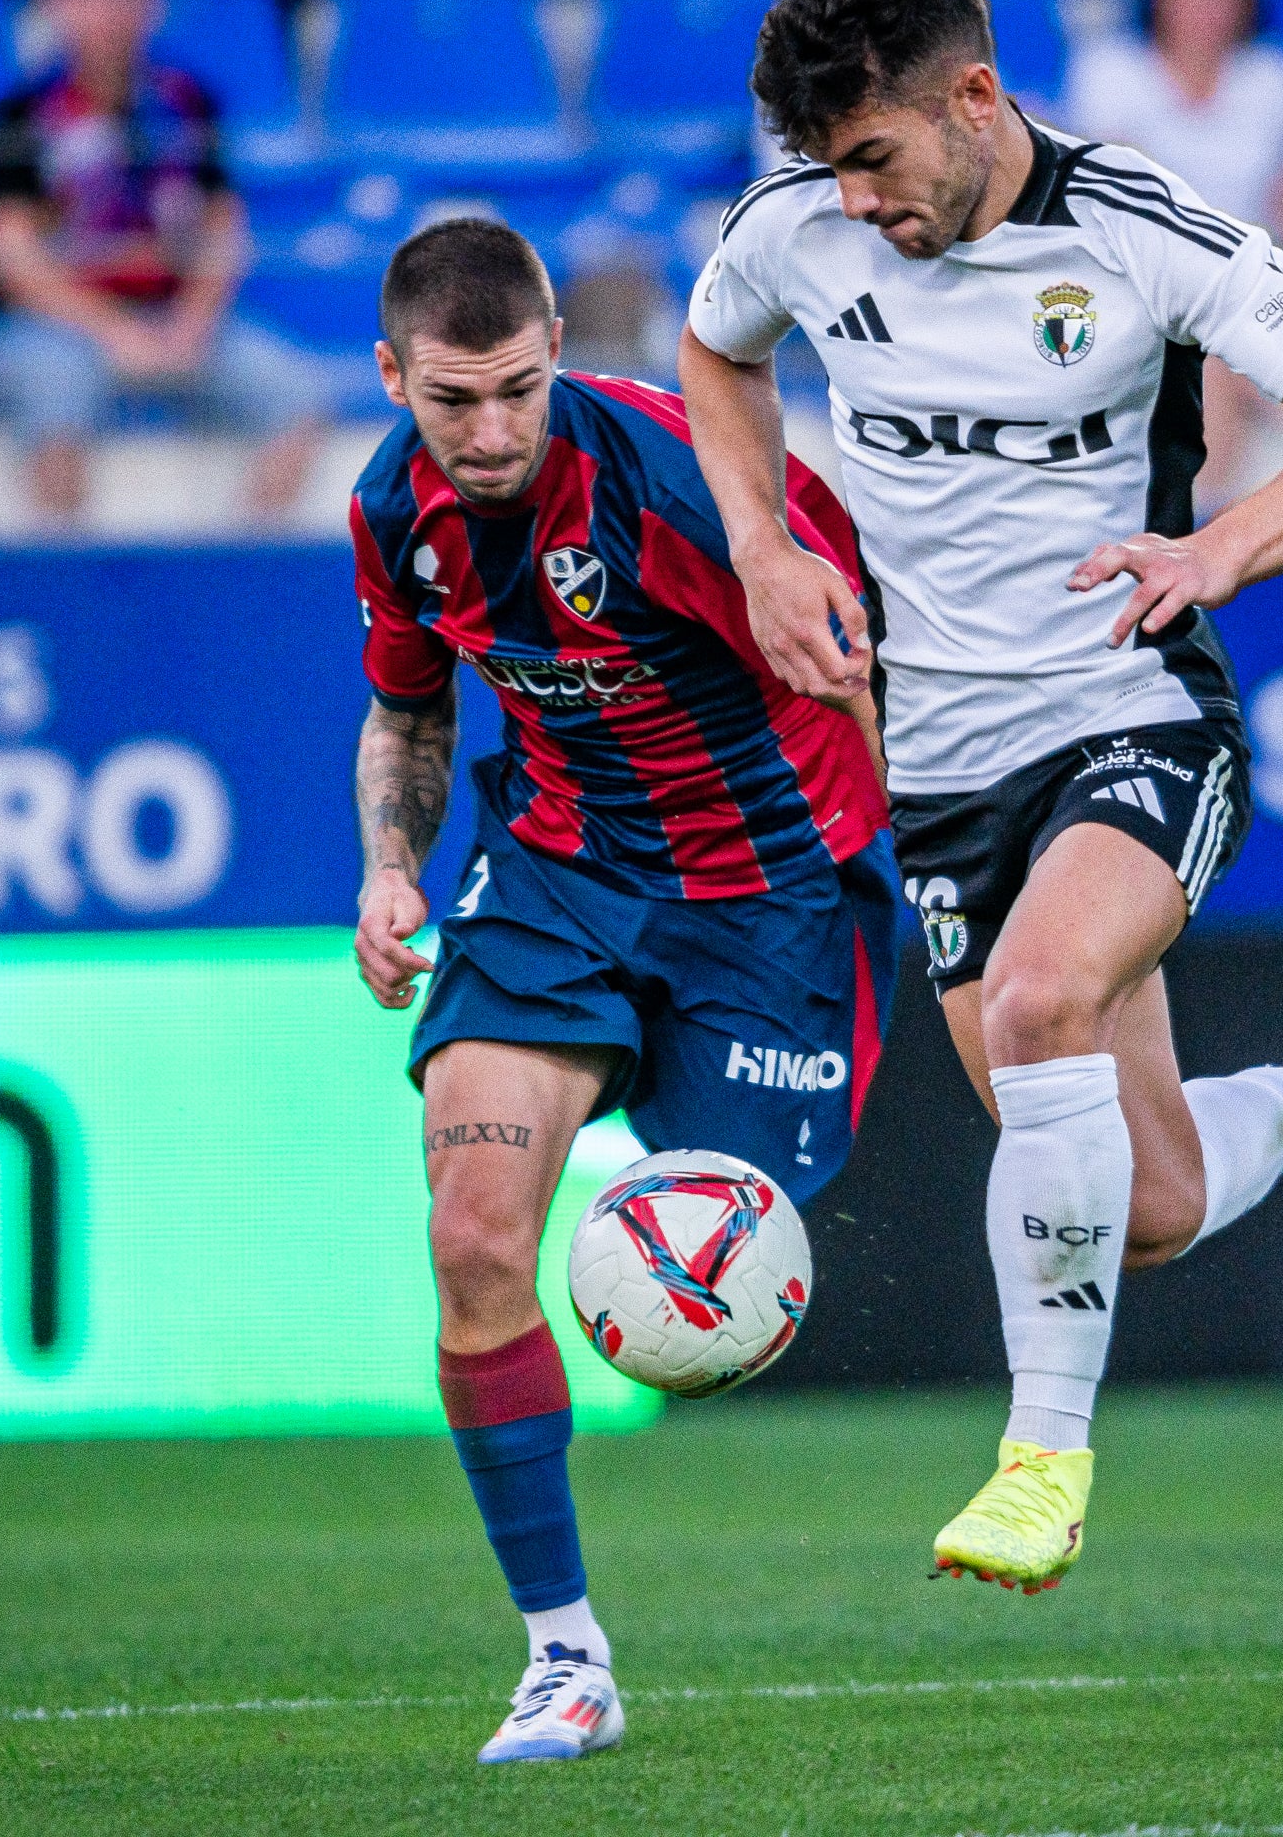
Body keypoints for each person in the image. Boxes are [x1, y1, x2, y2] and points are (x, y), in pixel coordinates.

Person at [680, 0, 1283, 1593]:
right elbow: (717, 354)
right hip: (938, 768)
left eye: (875, 157)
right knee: (1146, 1204)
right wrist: (760, 544)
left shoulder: (1137, 226)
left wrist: (1222, 546)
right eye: (830, 166)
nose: (857, 199)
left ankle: (1041, 1464)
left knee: (1038, 1007)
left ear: (973, 97)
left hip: (1133, 714)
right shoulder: (793, 228)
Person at [349, 219, 901, 1760]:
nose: (490, 433)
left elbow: (871, 669)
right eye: (452, 400)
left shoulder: (678, 486)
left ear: (557, 355)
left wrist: (931, 869)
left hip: (769, 896)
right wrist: (389, 870)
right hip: (556, 874)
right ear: (391, 377)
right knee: (473, 1241)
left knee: (718, 1296)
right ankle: (564, 1660)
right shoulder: (393, 509)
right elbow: (407, 715)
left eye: (518, 391)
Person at [0, 0, 323, 519]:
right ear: (54, 6)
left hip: (174, 311)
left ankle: (237, 563)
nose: (104, 13)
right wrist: (115, 331)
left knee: (295, 397)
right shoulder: (19, 118)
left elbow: (222, 231)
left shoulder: (189, 103)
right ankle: (67, 567)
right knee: (56, 398)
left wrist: (191, 323)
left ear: (151, 5)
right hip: (56, 323)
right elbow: (13, 259)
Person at [1070, 0, 1283, 507]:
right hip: (1136, 282)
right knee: (1213, 351)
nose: (1205, 4)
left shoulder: (1274, 79)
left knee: (1229, 343)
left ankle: (1207, 509)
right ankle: (1205, 510)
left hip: (1252, 283)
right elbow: (1116, 206)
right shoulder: (1111, 72)